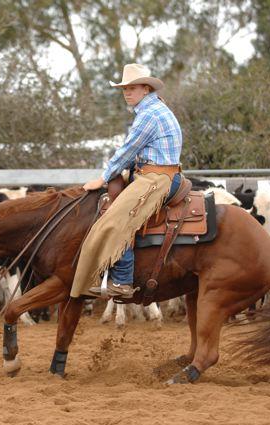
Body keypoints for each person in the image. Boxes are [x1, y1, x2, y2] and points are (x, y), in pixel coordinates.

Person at [70, 63, 183, 300]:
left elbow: (127, 150)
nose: (127, 93)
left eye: (132, 88)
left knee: (116, 220)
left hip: (157, 178)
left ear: (145, 89)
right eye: (124, 89)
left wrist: (103, 177)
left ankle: (122, 281)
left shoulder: (149, 115)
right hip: (153, 173)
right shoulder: (153, 109)